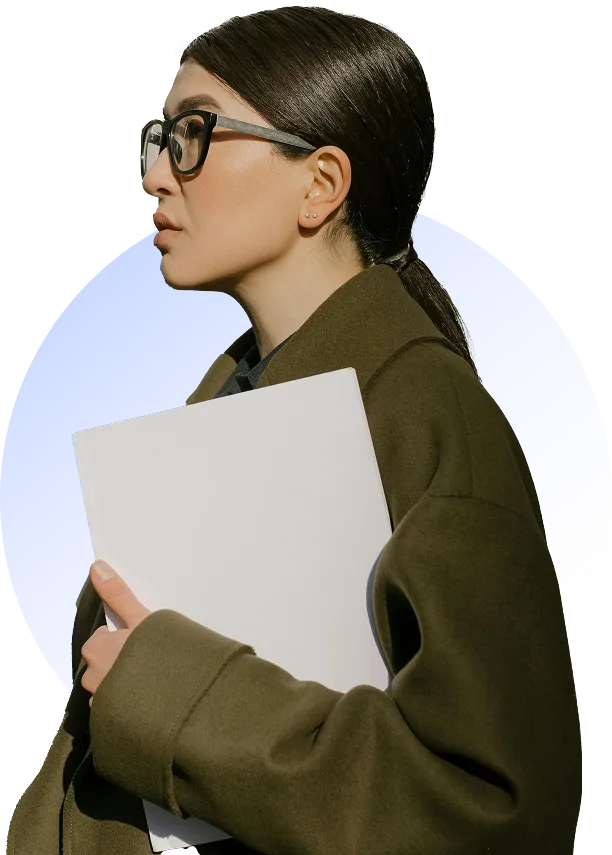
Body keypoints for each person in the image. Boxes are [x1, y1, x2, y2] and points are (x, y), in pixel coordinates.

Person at [8, 6, 583, 854]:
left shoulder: (429, 415)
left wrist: (177, 695)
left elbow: (496, 809)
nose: (156, 176)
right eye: (158, 139)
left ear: (320, 184)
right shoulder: (227, 416)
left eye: (194, 135)